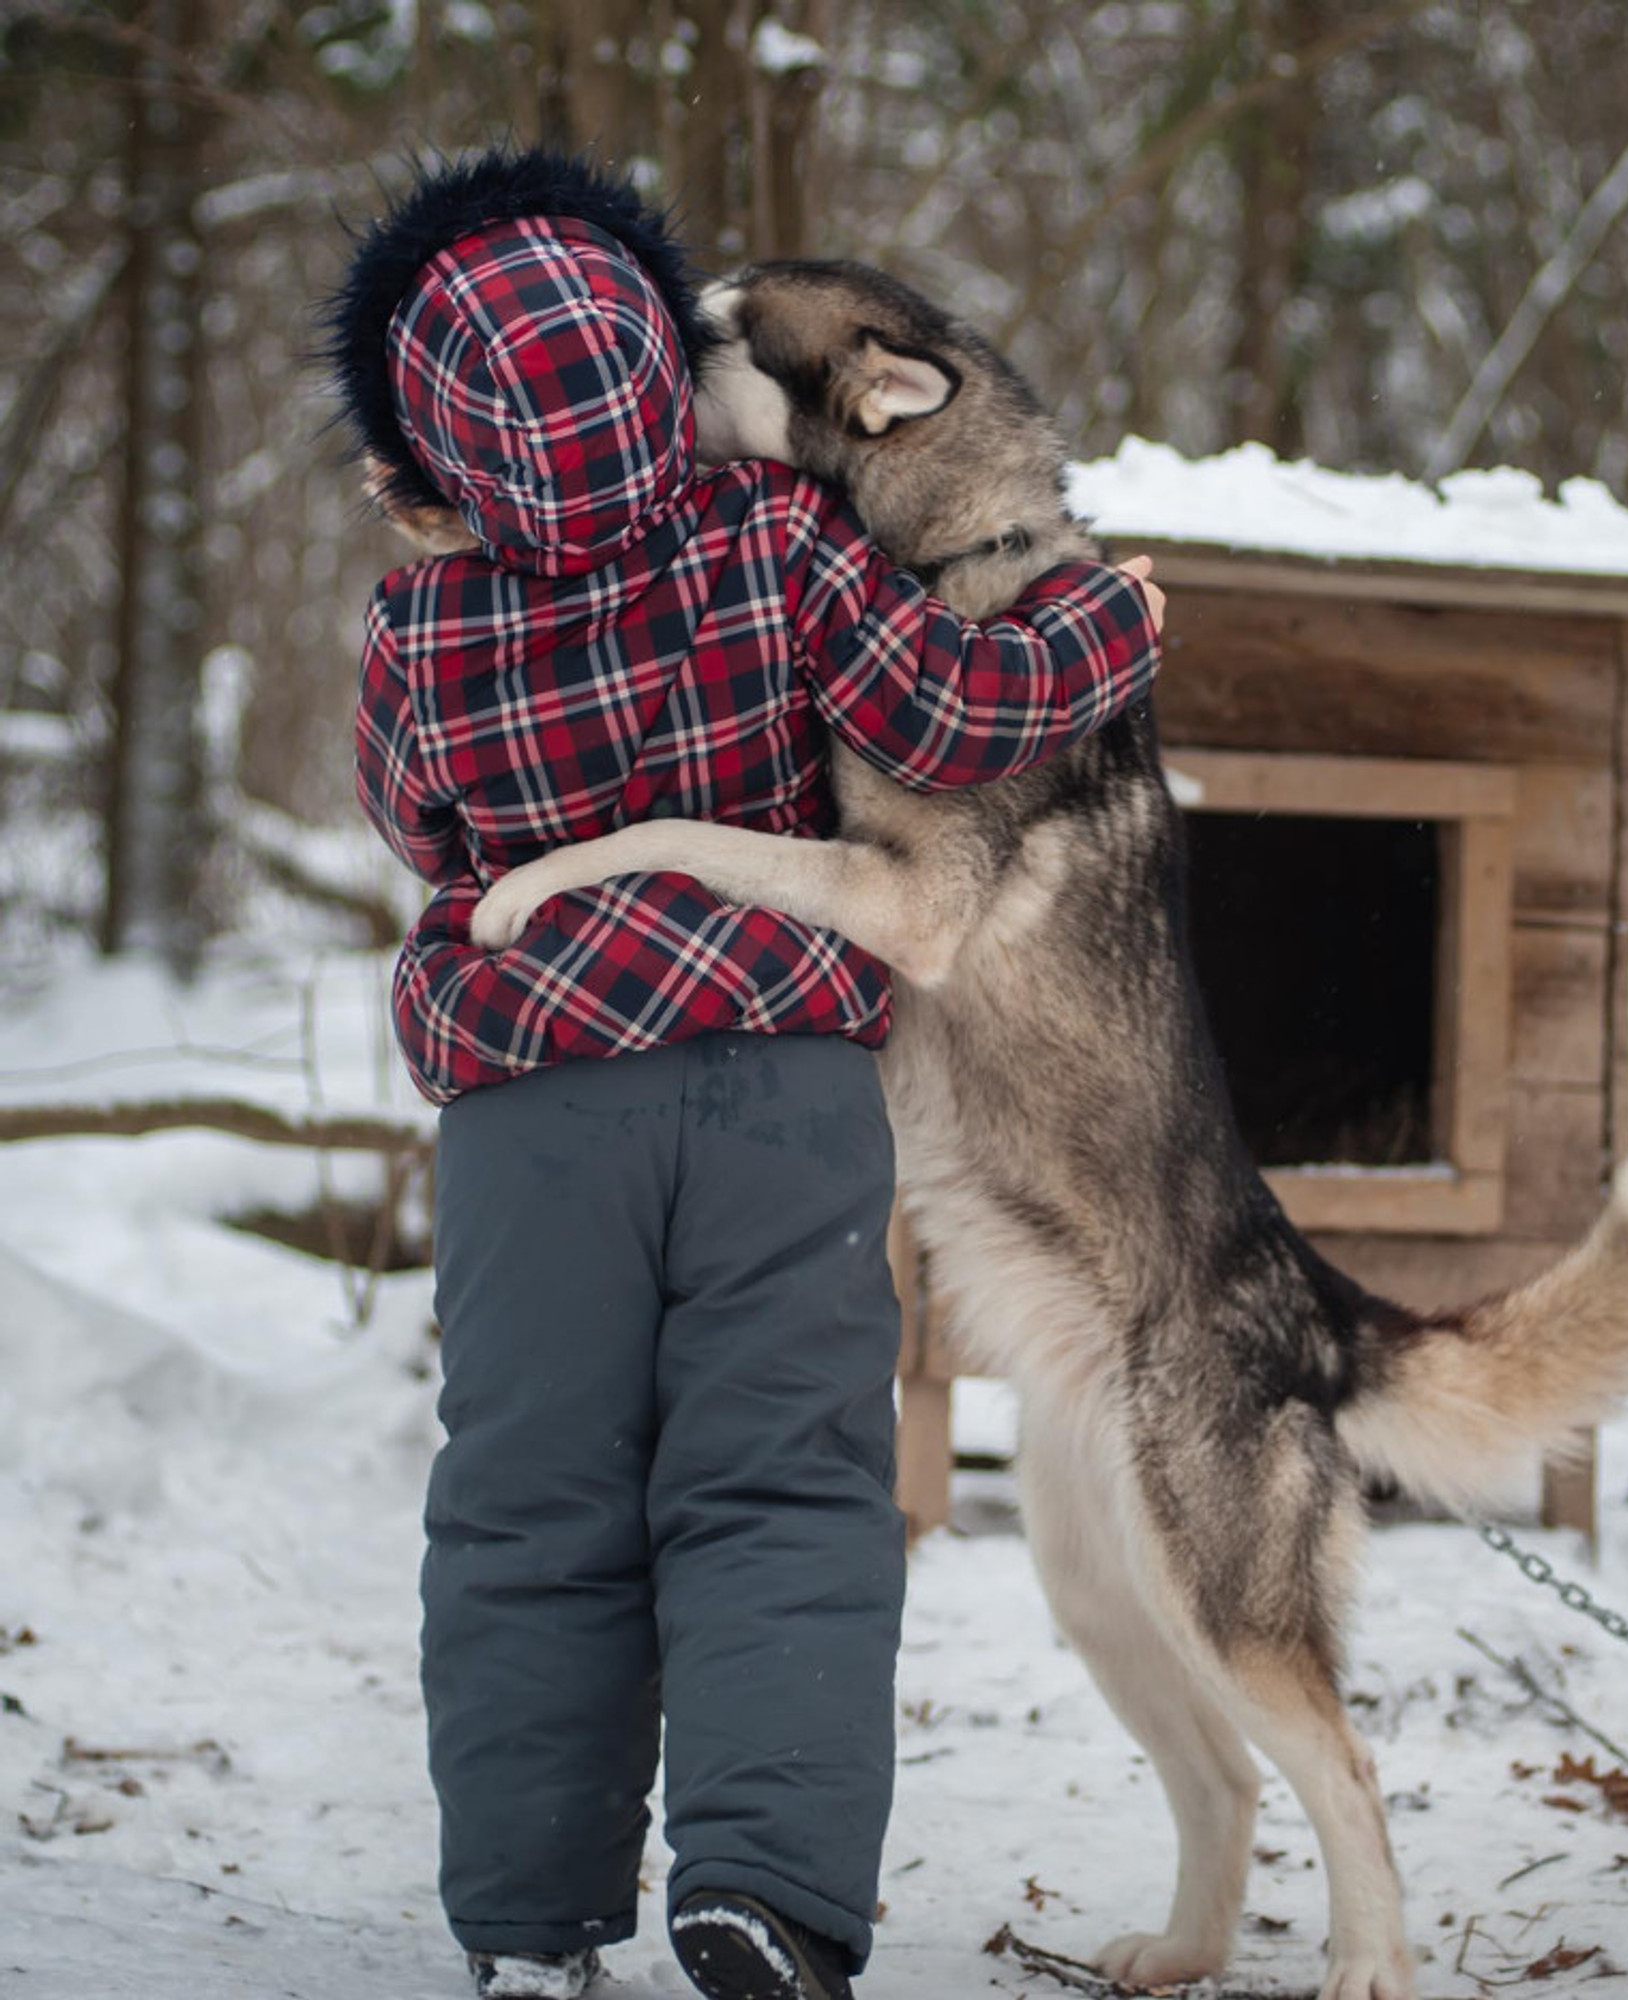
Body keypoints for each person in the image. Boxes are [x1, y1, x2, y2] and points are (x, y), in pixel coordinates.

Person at [324, 147, 1163, 2000]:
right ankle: (765, 1891)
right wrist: (1104, 623)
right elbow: (951, 710)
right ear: (653, 367)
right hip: (779, 1084)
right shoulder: (776, 540)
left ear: (431, 440)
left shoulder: (416, 627)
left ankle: (532, 1927)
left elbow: (409, 817)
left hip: (535, 1107)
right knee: (779, 1483)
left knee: (530, 1495)